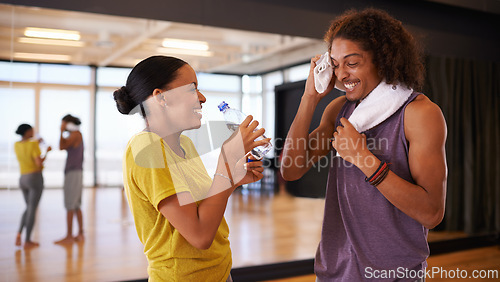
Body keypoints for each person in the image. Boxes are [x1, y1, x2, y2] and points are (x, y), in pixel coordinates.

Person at [280, 8, 447, 282]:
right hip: (335, 269)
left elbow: (431, 213)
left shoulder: (419, 113)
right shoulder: (338, 110)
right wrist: (309, 98)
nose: (342, 74)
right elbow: (290, 170)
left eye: (352, 62)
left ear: (382, 60)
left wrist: (363, 158)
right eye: (335, 64)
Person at [113, 55, 267, 281]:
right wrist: (227, 158)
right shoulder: (146, 148)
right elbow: (200, 235)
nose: (202, 98)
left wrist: (233, 178)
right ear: (161, 97)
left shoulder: (184, 144)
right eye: (192, 89)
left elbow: (202, 208)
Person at [14, 124, 52, 248]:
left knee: (29, 207)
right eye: (31, 130)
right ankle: (28, 240)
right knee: (32, 209)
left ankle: (19, 233)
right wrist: (47, 152)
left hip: (22, 178)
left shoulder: (16, 145)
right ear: (27, 132)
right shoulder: (33, 144)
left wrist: (36, 143)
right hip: (34, 178)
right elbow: (38, 163)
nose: (33, 132)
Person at [54, 114, 85, 244]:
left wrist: (61, 132)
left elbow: (61, 146)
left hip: (73, 172)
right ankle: (80, 234)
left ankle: (69, 236)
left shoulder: (75, 135)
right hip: (76, 172)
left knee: (70, 205)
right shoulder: (77, 134)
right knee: (76, 205)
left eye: (64, 124)